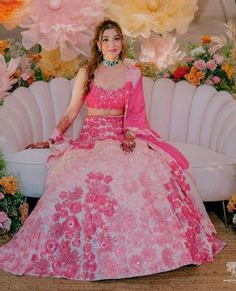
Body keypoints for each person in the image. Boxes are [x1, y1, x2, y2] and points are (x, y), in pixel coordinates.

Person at [0, 19, 225, 280]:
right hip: (91, 139)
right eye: (105, 39)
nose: (111, 44)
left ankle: (146, 252)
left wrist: (129, 135)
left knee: (148, 173)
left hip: (121, 137)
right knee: (75, 177)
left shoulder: (133, 74)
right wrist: (53, 137)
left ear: (122, 42)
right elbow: (72, 111)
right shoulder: (88, 72)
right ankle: (81, 251)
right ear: (98, 44)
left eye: (116, 38)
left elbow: (137, 114)